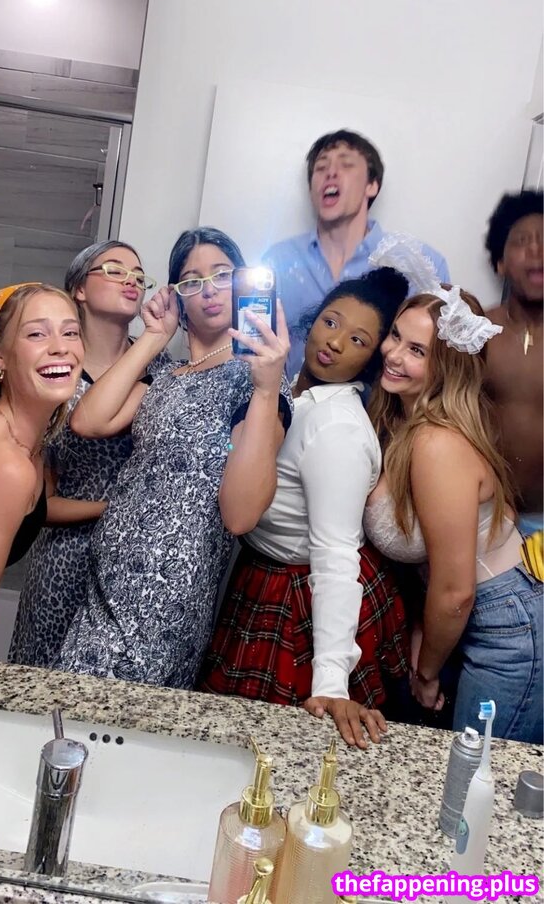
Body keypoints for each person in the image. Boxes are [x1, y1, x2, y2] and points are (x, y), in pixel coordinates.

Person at [58, 227, 293, 688]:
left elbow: (241, 514)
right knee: (67, 714)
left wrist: (266, 389)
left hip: (165, 598)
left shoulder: (255, 379)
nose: (208, 290)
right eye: (191, 281)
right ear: (177, 296)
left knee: (105, 718)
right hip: (104, 581)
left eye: (222, 275)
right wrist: (154, 337)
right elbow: (88, 421)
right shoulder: (167, 373)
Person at [200, 269, 410, 748]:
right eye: (331, 322)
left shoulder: (337, 428)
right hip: (262, 573)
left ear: (371, 361)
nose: (334, 342)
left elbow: (336, 555)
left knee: (276, 750)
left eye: (357, 340)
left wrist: (332, 682)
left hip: (296, 595)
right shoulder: (292, 387)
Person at [363, 240, 543, 742]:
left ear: (447, 367)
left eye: (417, 351)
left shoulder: (436, 443)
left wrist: (426, 673)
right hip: (473, 618)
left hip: (507, 631)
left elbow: (457, 591)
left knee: (475, 778)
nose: (393, 354)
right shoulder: (402, 422)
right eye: (395, 336)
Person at [9, 241, 156, 668]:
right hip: (64, 560)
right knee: (40, 683)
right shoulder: (54, 372)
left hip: (134, 563)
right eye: (114, 270)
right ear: (79, 289)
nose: (131, 280)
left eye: (138, 274)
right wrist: (113, 508)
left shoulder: (161, 368)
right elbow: (39, 504)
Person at [0, 283, 83, 658]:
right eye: (37, 334)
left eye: (71, 332)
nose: (60, 347)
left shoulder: (26, 443)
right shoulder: (6, 463)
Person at [262, 129, 450, 377]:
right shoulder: (277, 260)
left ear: (372, 185)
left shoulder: (421, 264)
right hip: (285, 400)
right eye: (321, 167)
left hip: (377, 403)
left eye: (346, 164)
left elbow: (437, 362)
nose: (330, 172)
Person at [483, 190, 543, 537]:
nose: (536, 249)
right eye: (522, 241)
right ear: (500, 263)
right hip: (485, 517)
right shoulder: (479, 332)